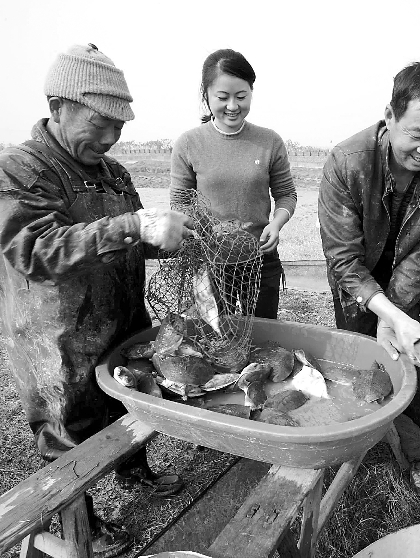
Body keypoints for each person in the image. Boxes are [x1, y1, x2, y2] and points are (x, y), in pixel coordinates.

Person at [0, 44, 195, 558]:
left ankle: (134, 471)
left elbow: (135, 238)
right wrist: (133, 225)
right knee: (67, 436)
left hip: (120, 322)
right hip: (57, 341)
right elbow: (33, 249)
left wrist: (171, 240)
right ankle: (80, 525)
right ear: (58, 106)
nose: (110, 137)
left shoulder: (113, 173)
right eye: (100, 123)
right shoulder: (20, 168)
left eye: (119, 126)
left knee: (129, 403)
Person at [318, 61, 420, 498]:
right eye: (417, 134)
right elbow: (344, 259)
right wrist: (380, 311)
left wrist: (397, 317)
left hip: (410, 281)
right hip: (355, 280)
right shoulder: (346, 162)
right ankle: (361, 438)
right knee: (360, 355)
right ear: (389, 115)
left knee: (410, 356)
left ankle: (417, 449)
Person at [170, 48, 297, 319]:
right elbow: (180, 201)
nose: (232, 106)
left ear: (251, 92)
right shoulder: (189, 143)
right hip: (211, 261)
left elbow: (286, 194)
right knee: (216, 333)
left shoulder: (270, 141)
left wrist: (276, 224)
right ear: (206, 95)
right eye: (222, 97)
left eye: (241, 96)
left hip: (261, 257)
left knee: (263, 330)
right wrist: (202, 229)